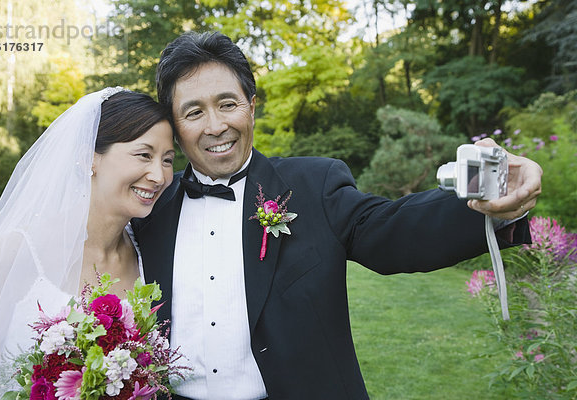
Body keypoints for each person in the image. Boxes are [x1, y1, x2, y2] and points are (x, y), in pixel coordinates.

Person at [131, 31, 542, 400]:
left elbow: (394, 230)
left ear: (252, 108)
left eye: (227, 104)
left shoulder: (313, 185)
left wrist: (493, 195)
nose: (216, 125)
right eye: (194, 111)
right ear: (175, 125)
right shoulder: (150, 210)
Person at [0, 88, 176, 396]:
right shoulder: (15, 251)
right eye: (144, 155)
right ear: (89, 159)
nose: (159, 175)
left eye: (167, 159)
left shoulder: (149, 253)